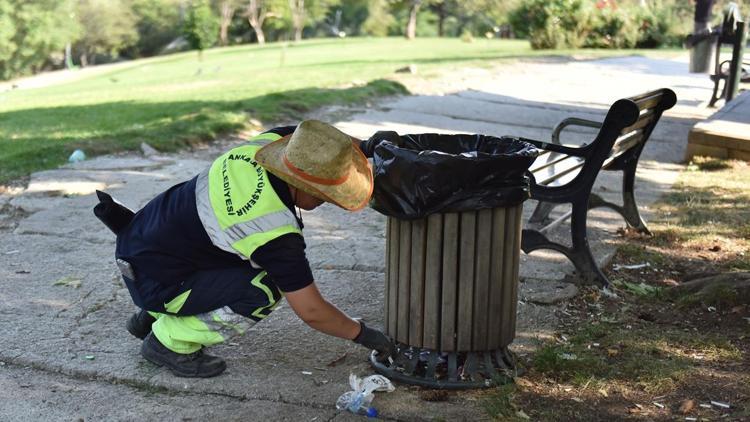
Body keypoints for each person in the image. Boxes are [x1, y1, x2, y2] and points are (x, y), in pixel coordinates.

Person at [104, 120, 394, 378]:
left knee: (235, 252)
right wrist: (363, 334)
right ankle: (169, 342)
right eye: (324, 195)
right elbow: (311, 310)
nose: (327, 201)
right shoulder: (275, 231)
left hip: (140, 247)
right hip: (157, 281)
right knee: (265, 287)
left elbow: (314, 140)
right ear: (301, 182)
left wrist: (366, 147)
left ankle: (152, 316)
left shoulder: (273, 144)